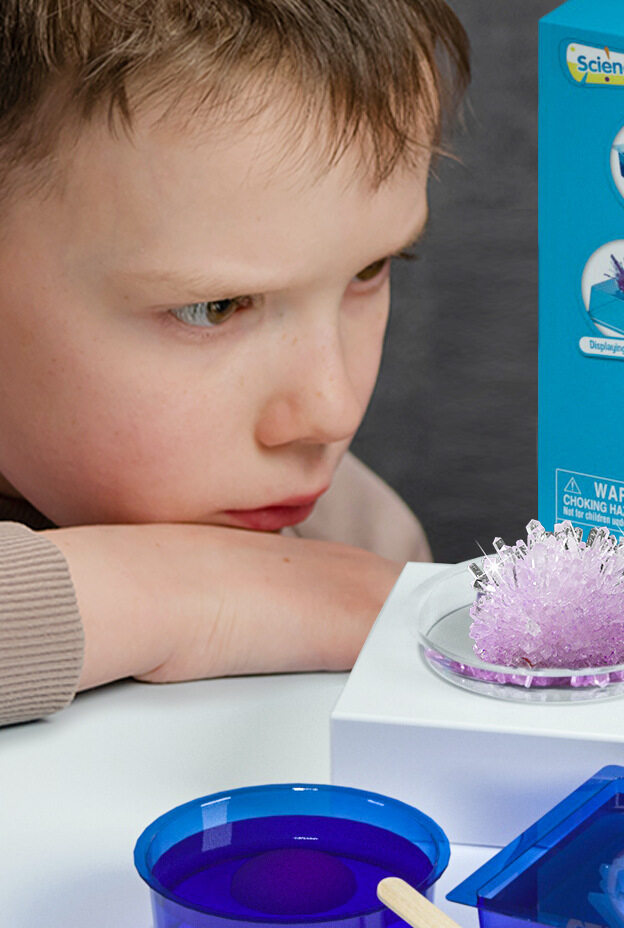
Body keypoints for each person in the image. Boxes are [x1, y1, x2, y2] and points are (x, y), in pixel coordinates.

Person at [0, 0, 469, 727]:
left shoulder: (354, 534)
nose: (332, 411)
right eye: (214, 307)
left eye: (370, 269)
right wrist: (174, 594)